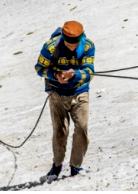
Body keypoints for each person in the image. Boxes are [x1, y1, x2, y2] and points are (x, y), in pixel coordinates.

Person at [35, 20, 95, 178]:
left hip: (80, 91)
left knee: (82, 128)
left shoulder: (88, 46)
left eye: (75, 45)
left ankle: (76, 165)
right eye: (68, 45)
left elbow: (89, 71)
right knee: (60, 131)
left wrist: (75, 75)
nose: (72, 48)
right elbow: (40, 68)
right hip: (56, 93)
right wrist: (56, 75)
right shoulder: (50, 47)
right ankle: (57, 165)